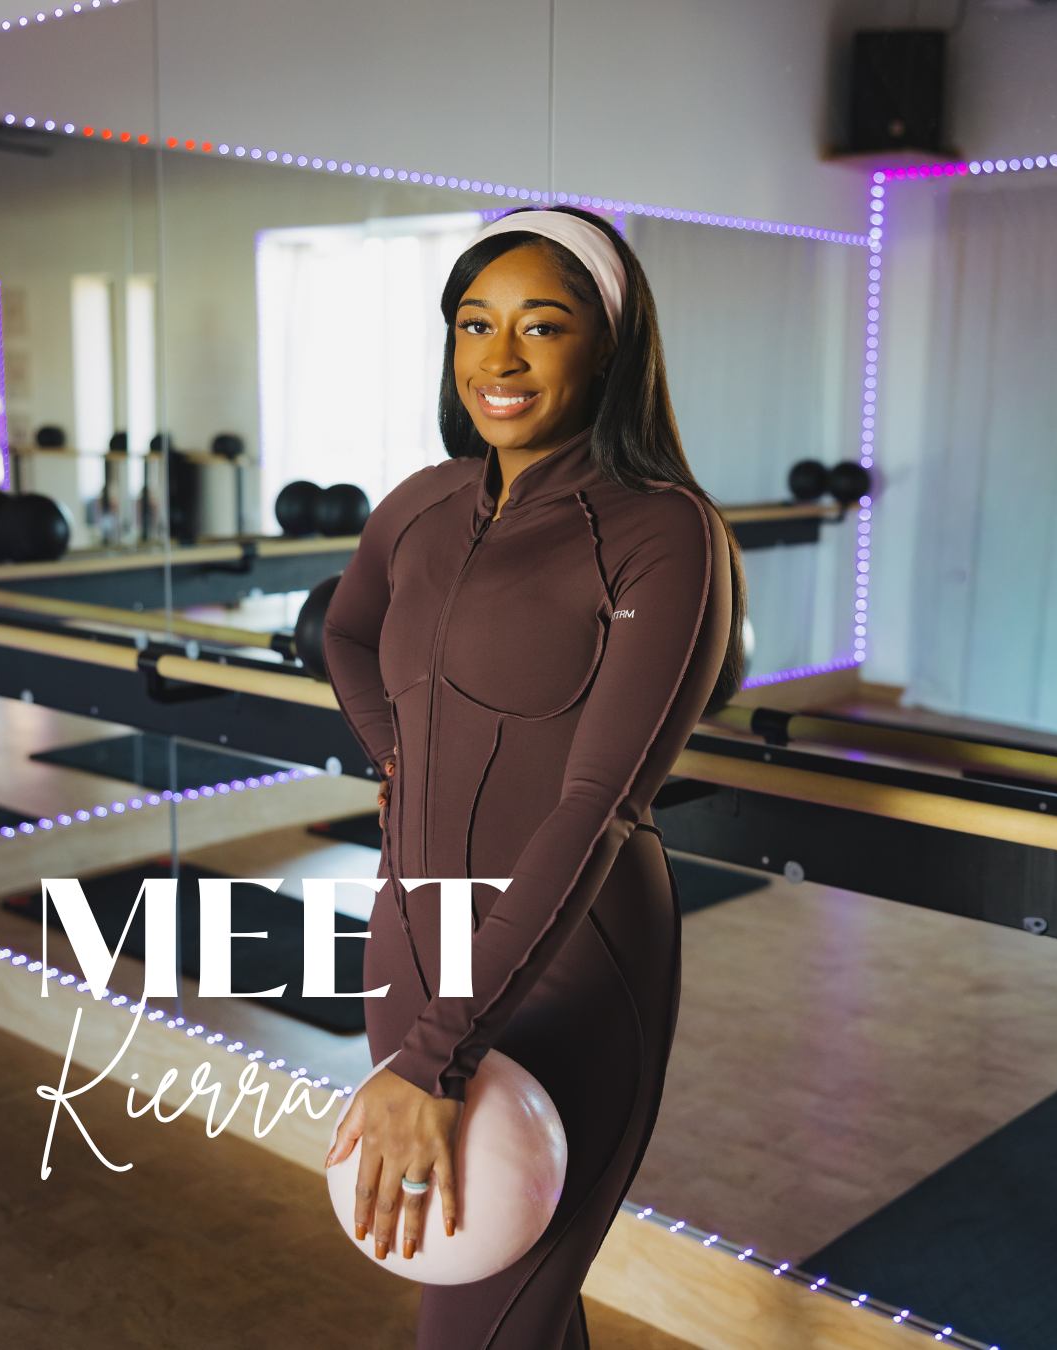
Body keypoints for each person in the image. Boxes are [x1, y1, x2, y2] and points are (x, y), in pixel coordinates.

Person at [323, 205, 744, 1350]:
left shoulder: (665, 532)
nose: (498, 359)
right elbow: (347, 635)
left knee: (479, 1324)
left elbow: (598, 805)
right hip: (410, 941)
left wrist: (437, 1057)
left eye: (542, 326)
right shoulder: (420, 503)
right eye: (475, 324)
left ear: (608, 348)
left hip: (570, 960)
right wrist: (400, 752)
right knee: (521, 1316)